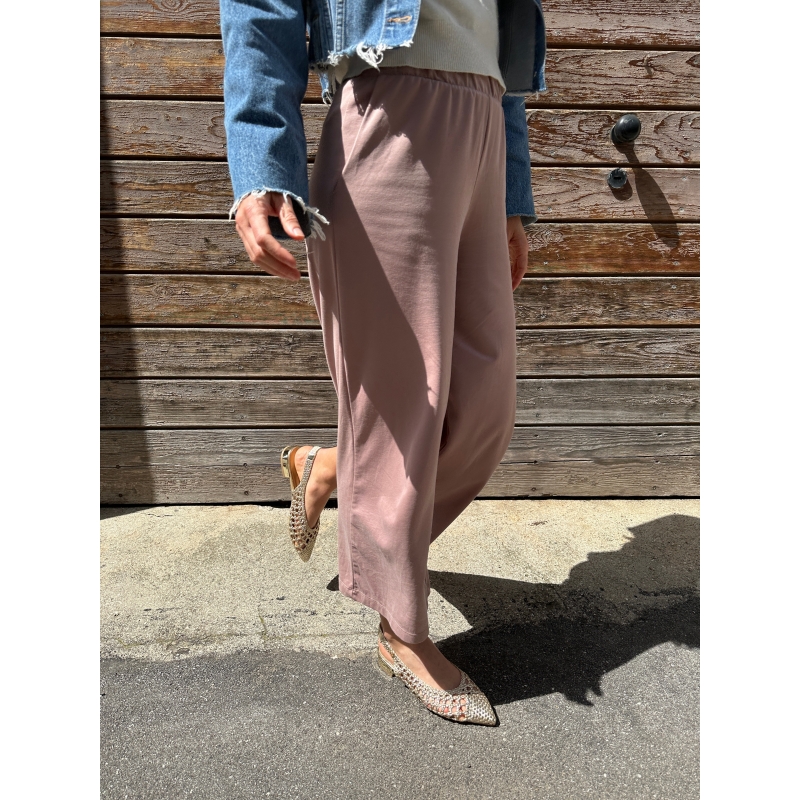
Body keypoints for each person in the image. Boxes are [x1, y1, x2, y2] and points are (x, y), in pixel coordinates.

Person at [220, 0, 547, 725]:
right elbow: (260, 11)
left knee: (484, 412)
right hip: (390, 110)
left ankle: (331, 467)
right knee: (402, 412)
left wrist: (511, 194)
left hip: (483, 122)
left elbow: (504, 52)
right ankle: (402, 632)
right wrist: (261, 161)